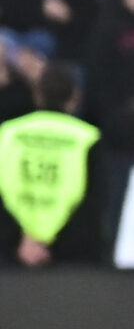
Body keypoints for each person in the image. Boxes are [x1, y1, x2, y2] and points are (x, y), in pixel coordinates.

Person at [0, 63, 102, 267]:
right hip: (70, 259)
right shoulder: (88, 139)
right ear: (75, 98)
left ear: (37, 95)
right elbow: (94, 204)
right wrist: (53, 245)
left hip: (10, 257)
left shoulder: (7, 133)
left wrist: (19, 242)